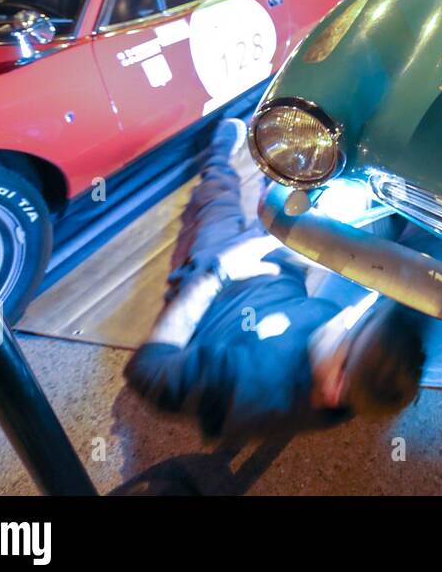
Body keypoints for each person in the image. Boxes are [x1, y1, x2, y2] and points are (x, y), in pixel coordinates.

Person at [124, 118, 425, 441]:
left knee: (218, 202)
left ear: (334, 388)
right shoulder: (351, 381)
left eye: (351, 330)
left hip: (214, 290)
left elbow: (145, 370)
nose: (348, 314)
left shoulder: (240, 387)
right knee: (304, 199)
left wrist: (218, 274)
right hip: (277, 269)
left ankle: (217, 155)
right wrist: (302, 253)